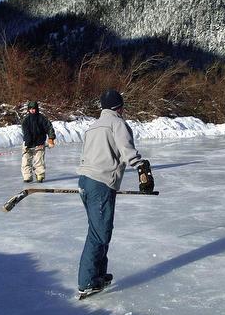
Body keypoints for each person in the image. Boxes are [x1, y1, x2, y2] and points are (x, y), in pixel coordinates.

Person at [76, 89, 154, 298]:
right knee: (98, 232)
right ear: (118, 107)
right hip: (100, 184)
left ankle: (98, 274)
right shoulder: (117, 123)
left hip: (85, 180)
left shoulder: (92, 127)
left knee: (101, 228)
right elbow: (127, 150)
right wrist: (141, 167)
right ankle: (87, 282)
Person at [21, 101, 56, 183]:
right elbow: (26, 132)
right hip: (27, 144)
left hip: (39, 144)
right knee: (26, 161)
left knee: (39, 161)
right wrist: (27, 144)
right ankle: (27, 176)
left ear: (36, 109)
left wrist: (51, 139)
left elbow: (49, 128)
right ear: (28, 110)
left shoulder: (42, 118)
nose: (32, 110)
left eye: (34, 109)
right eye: (31, 109)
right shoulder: (26, 120)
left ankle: (40, 175)